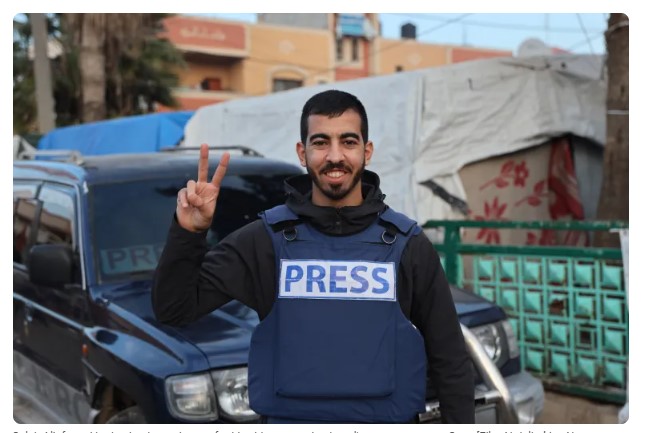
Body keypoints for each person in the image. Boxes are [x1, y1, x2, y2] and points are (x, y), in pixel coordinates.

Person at [152, 89, 475, 424]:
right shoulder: (264, 240)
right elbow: (174, 309)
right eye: (321, 142)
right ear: (302, 153)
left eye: (348, 142)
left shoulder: (408, 244)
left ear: (366, 151)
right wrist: (188, 231)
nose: (335, 156)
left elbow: (450, 357)